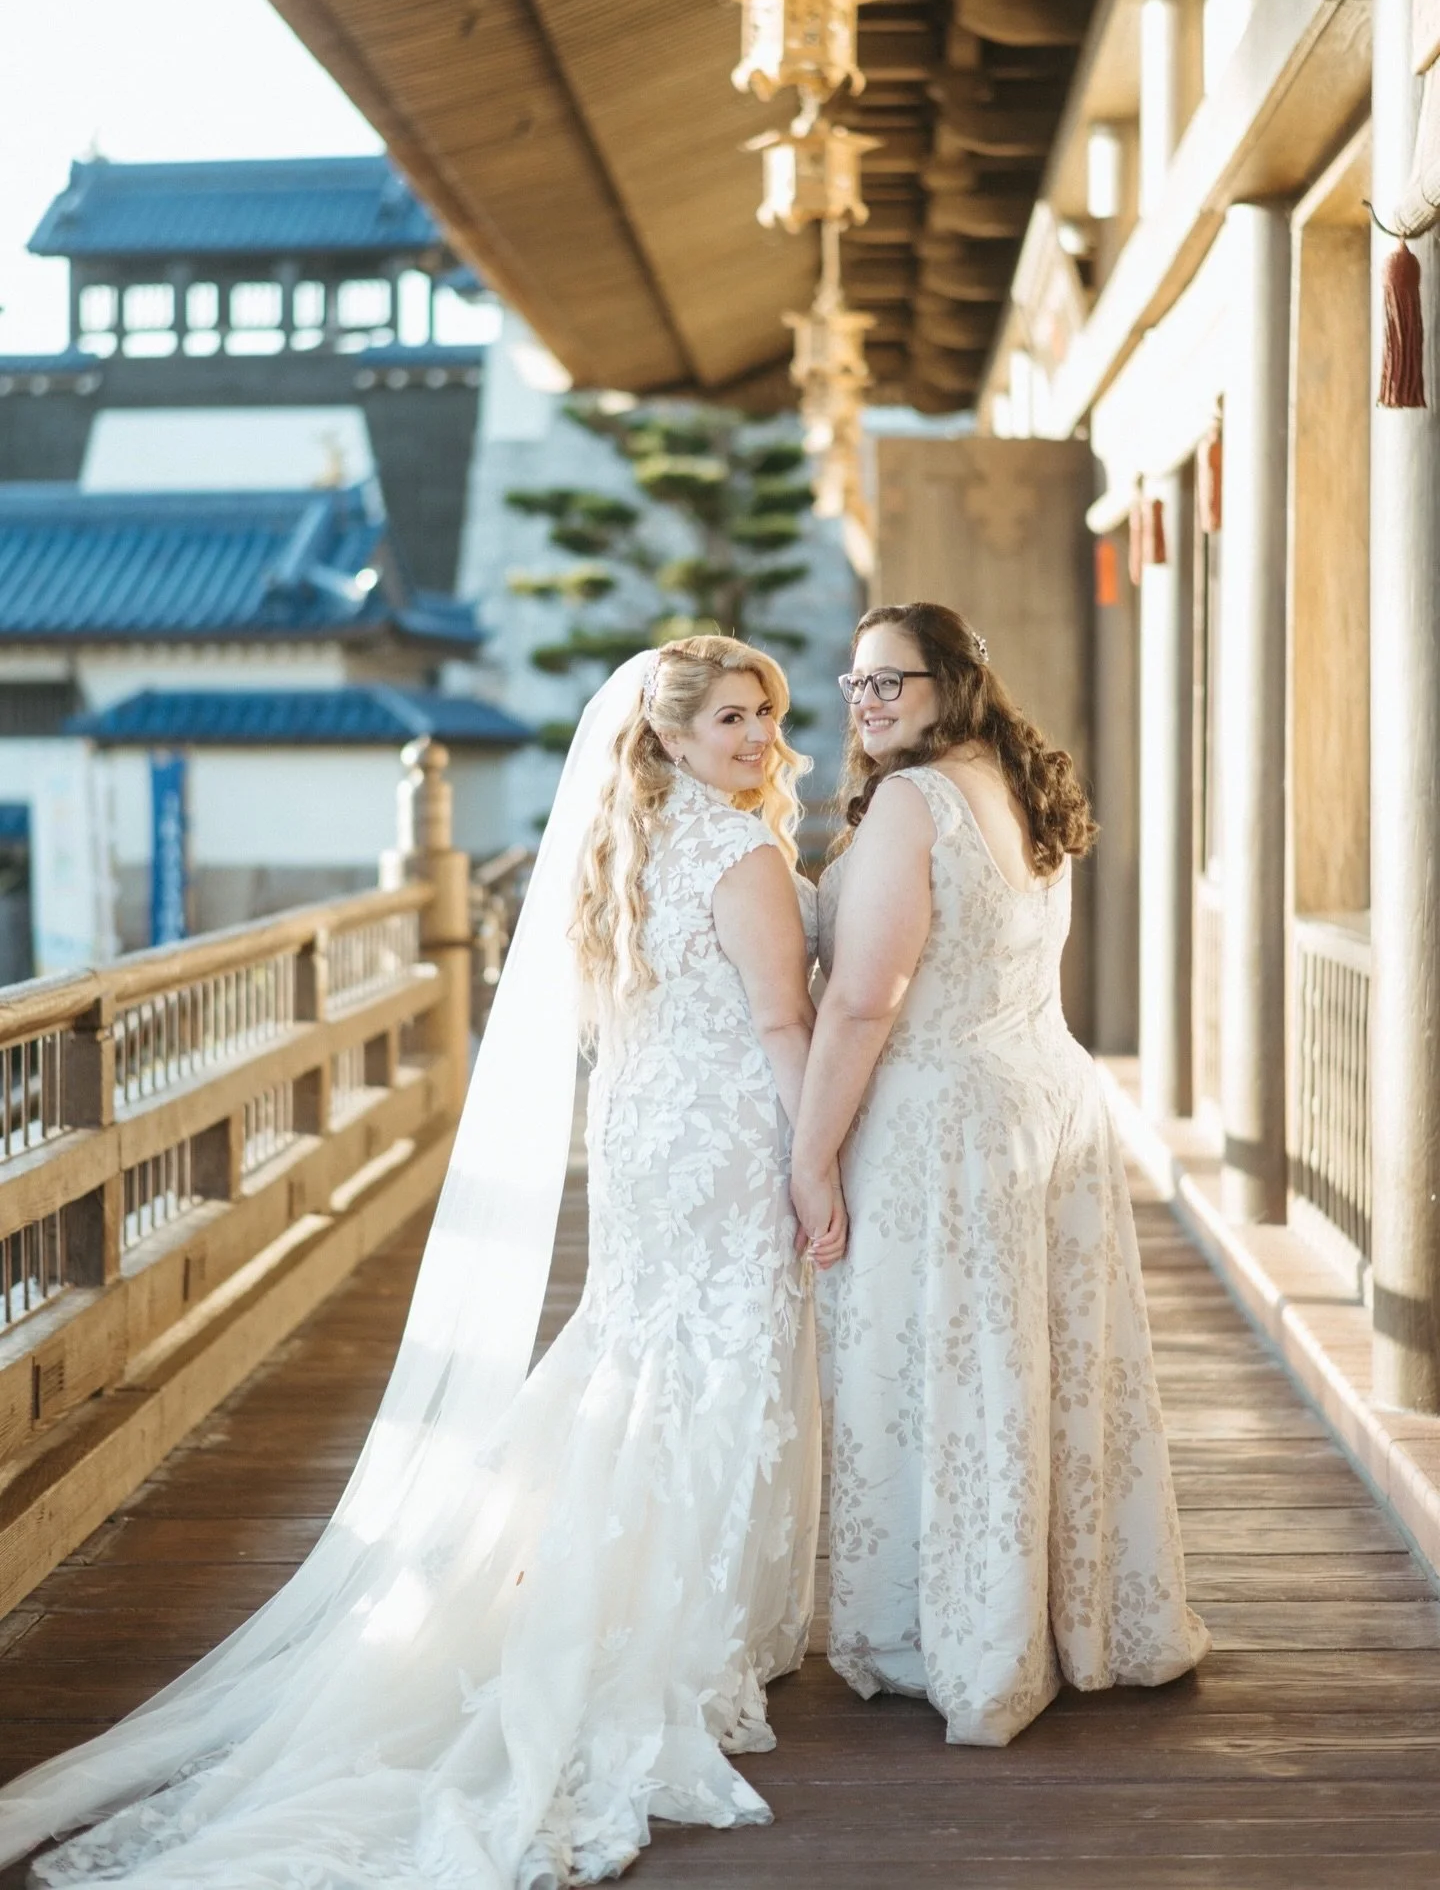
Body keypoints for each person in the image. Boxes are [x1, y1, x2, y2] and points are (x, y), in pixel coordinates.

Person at [0, 637, 845, 1888]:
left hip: (642, 1134)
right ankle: (694, 1615)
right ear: (668, 735)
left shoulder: (632, 841)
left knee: (642, 1354)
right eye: (730, 719)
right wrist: (817, 1163)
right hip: (723, 1136)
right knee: (717, 1359)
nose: (759, 740)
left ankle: (648, 1586)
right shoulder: (742, 847)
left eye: (766, 716)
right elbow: (784, 1020)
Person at [790, 600, 1208, 1748]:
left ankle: (970, 1631)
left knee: (951, 1372)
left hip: (951, 1122)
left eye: (894, 682)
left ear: (954, 682)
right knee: (1042, 1368)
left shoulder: (913, 805)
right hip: (1045, 1098)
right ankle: (1073, 1618)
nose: (868, 703)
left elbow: (862, 999)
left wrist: (810, 1155)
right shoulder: (1019, 784)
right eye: (857, 683)